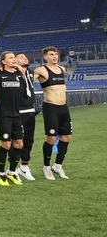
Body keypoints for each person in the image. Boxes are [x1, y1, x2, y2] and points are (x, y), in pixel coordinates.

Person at [33, 47, 72, 180]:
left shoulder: (62, 69)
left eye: (56, 54)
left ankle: (58, 165)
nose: (55, 57)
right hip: (51, 107)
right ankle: (46, 166)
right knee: (51, 138)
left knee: (66, 137)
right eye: (51, 54)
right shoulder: (41, 70)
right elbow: (27, 81)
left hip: (63, 108)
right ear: (45, 57)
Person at [0, 52, 25, 187]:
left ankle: (11, 172)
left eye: (14, 57)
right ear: (3, 62)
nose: (14, 59)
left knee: (19, 144)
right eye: (11, 58)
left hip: (16, 114)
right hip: (3, 114)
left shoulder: (19, 76)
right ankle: (0, 173)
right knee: (6, 144)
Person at [14, 53, 37, 181]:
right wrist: (16, 66)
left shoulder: (31, 73)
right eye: (21, 57)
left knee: (29, 141)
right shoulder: (13, 73)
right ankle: (12, 168)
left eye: (26, 57)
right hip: (18, 111)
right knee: (17, 142)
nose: (26, 58)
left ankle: (24, 166)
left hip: (31, 111)